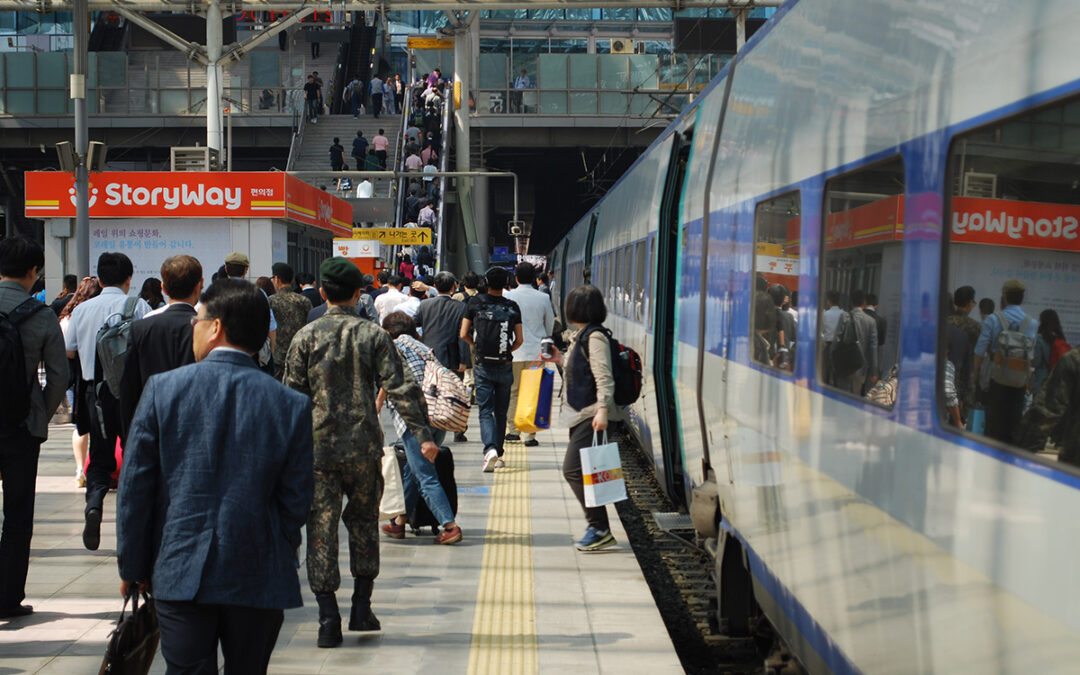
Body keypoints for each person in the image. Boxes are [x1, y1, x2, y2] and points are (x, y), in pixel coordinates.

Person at [117, 279, 313, 673]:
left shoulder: (163, 390)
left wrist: (133, 566)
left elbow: (136, 488)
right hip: (259, 570)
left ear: (216, 326)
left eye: (197, 320)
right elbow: (297, 498)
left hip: (180, 567)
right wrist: (278, 545)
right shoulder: (290, 404)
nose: (193, 327)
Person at [284, 258, 435, 648]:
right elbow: (401, 386)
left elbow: (291, 398)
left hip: (317, 452)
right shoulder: (373, 336)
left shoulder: (305, 337)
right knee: (365, 525)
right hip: (364, 448)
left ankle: (327, 619)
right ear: (357, 294)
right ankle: (361, 608)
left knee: (320, 530)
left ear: (322, 294)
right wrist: (423, 435)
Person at [65, 252, 151, 550]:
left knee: (99, 459)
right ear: (129, 279)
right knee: (132, 454)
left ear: (99, 279)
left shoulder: (83, 309)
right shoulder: (138, 306)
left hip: (94, 393)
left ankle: (94, 505)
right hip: (130, 394)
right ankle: (129, 519)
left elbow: (70, 350)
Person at [0, 236, 66, 617]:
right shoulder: (41, 317)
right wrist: (40, 411)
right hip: (22, 430)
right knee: (18, 514)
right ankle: (8, 598)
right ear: (33, 272)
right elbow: (59, 376)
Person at [544, 285, 623, 552]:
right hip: (582, 413)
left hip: (592, 413)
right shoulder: (583, 336)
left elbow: (603, 376)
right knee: (584, 471)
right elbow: (581, 367)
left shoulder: (595, 337)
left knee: (573, 470)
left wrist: (602, 410)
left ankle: (599, 528)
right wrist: (560, 358)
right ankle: (598, 527)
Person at [378, 312, 462, 544]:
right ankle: (399, 522)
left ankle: (450, 526)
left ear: (388, 332)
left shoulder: (393, 347)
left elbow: (392, 377)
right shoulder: (423, 348)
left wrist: (377, 402)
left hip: (414, 420)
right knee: (412, 471)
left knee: (424, 474)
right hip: (437, 416)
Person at [119, 255, 202, 434]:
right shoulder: (207, 330)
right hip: (195, 425)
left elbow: (129, 389)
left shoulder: (140, 328)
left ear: (163, 288)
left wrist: (129, 438)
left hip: (151, 424)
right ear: (200, 285)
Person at [460, 267, 523, 472]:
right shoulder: (512, 306)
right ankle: (499, 452)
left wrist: (476, 348)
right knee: (501, 411)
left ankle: (490, 450)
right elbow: (520, 339)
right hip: (504, 365)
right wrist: (507, 351)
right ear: (506, 283)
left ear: (486, 282)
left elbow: (463, 333)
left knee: (486, 411)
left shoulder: (475, 303)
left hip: (483, 365)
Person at [974, 279, 1038, 444]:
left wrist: (975, 375)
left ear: (1005, 297)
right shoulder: (1031, 323)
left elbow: (979, 351)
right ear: (1021, 298)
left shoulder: (993, 320)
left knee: (993, 427)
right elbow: (1029, 357)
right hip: (1019, 383)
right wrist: (1026, 383)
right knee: (1013, 427)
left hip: (996, 380)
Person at [504, 263, 555, 447]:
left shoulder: (508, 296)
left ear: (515, 278)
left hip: (514, 351)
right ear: (534, 277)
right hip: (536, 352)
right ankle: (530, 435)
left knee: (514, 391)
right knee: (534, 392)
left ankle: (513, 431)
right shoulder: (542, 298)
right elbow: (549, 324)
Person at [59, 277, 100, 486]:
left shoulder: (68, 317)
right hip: (99, 377)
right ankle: (98, 468)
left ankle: (79, 469)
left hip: (77, 378)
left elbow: (68, 351)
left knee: (80, 426)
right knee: (101, 426)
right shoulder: (100, 312)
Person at [268, 262, 313, 380]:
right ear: (292, 279)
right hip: (300, 354)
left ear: (276, 279)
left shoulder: (271, 301)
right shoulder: (303, 300)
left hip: (277, 357)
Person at [834, 289, 878, 395]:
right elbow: (873, 348)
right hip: (860, 366)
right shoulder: (871, 322)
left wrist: (834, 363)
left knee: (842, 395)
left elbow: (836, 340)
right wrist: (874, 371)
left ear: (851, 302)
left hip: (844, 364)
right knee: (855, 396)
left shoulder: (844, 317)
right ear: (864, 303)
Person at [946, 285, 982, 413]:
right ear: (970, 303)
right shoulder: (976, 327)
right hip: (964, 382)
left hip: (943, 377)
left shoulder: (945, 322)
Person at [1032, 309, 1069, 397]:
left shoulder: (1040, 338)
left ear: (1042, 322)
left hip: (1042, 382)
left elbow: (1036, 361)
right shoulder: (1061, 338)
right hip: (1057, 383)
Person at [865, 293, 886, 378]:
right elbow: (881, 342)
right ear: (876, 306)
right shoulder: (881, 321)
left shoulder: (857, 316)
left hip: (856, 356)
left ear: (864, 303)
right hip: (872, 357)